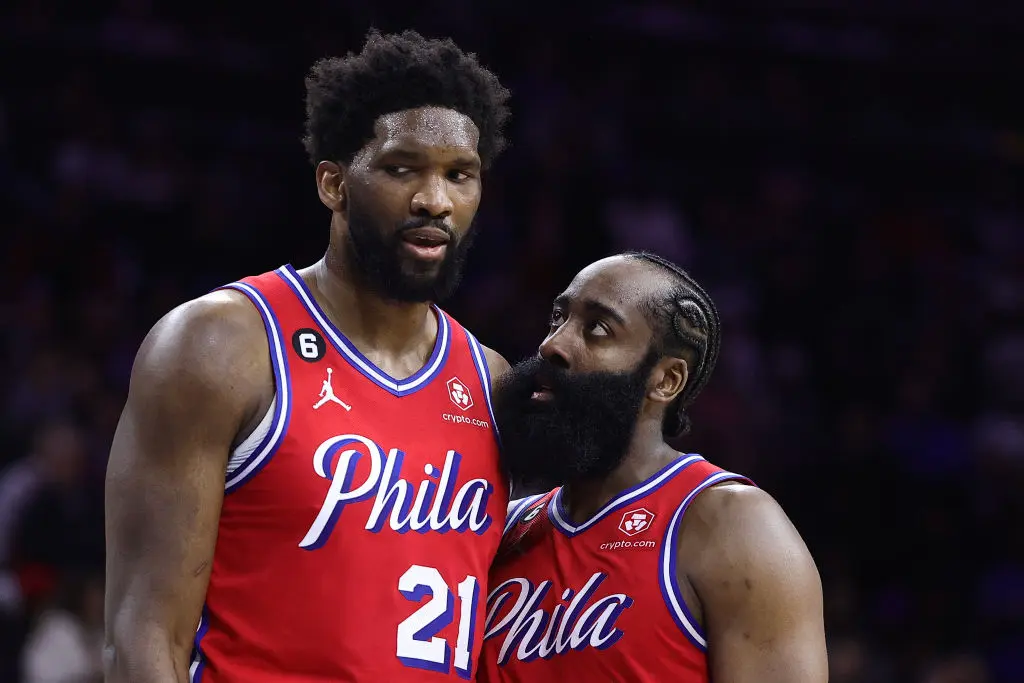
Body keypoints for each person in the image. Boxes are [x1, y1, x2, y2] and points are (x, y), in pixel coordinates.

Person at [104, 29, 513, 682]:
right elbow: (143, 633)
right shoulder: (220, 344)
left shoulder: (491, 381)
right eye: (403, 167)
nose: (435, 200)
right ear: (333, 183)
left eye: (459, 175)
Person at [478, 252, 827, 683]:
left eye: (597, 330)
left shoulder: (733, 526)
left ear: (665, 381)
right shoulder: (506, 527)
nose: (554, 344)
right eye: (557, 318)